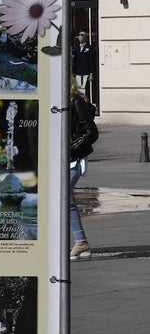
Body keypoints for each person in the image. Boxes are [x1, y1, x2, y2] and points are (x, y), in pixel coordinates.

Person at [69, 80, 99, 260]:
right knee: (63, 198)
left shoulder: (75, 101)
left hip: (74, 159)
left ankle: (81, 242)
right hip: (63, 158)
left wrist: (71, 148)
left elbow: (91, 132)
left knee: (64, 196)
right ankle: (79, 242)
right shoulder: (58, 102)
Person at [72, 31, 98, 100]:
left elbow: (91, 61)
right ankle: (80, 100)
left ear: (86, 37)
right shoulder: (77, 48)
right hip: (78, 72)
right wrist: (73, 71)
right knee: (78, 87)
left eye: (82, 35)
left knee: (84, 87)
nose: (80, 37)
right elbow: (75, 61)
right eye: (79, 35)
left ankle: (84, 101)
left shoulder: (90, 48)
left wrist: (91, 73)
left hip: (86, 72)